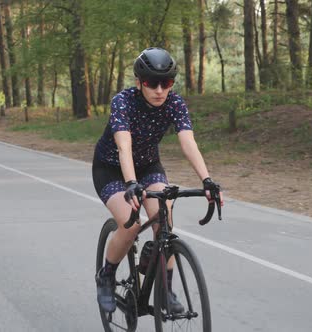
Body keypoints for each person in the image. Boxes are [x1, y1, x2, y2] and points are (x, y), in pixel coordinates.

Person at [93, 47, 223, 313]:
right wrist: (131, 184)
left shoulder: (175, 103)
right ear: (140, 82)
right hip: (112, 169)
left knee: (165, 214)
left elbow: (188, 142)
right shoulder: (123, 101)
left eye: (167, 83)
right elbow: (124, 147)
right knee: (130, 225)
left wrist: (207, 179)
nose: (160, 90)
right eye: (152, 83)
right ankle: (106, 276)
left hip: (149, 166)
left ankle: (166, 291)